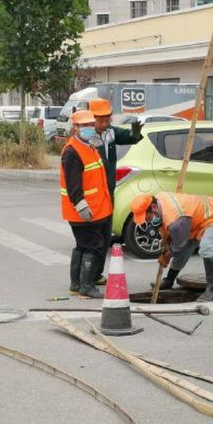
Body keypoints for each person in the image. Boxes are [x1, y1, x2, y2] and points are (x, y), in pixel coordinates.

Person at [131, 192, 213, 302]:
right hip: (194, 221)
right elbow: (167, 236)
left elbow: (178, 246)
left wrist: (168, 254)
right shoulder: (159, 200)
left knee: (206, 247)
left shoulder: (176, 221)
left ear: (153, 207)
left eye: (145, 216)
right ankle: (169, 280)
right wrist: (166, 249)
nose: (145, 221)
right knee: (185, 247)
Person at [88, 98, 143, 285]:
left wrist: (136, 133)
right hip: (92, 194)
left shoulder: (111, 132)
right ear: (91, 118)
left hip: (108, 192)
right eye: (101, 120)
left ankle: (96, 274)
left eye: (107, 119)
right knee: (91, 238)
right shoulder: (86, 136)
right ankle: (86, 277)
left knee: (105, 235)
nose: (105, 123)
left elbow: (129, 137)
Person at [60, 109, 112, 299]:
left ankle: (76, 284)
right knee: (93, 246)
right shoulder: (72, 152)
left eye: (91, 124)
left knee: (83, 246)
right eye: (84, 126)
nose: (89, 128)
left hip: (97, 209)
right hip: (84, 212)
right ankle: (86, 287)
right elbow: (73, 184)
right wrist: (81, 206)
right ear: (75, 128)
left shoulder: (88, 146)